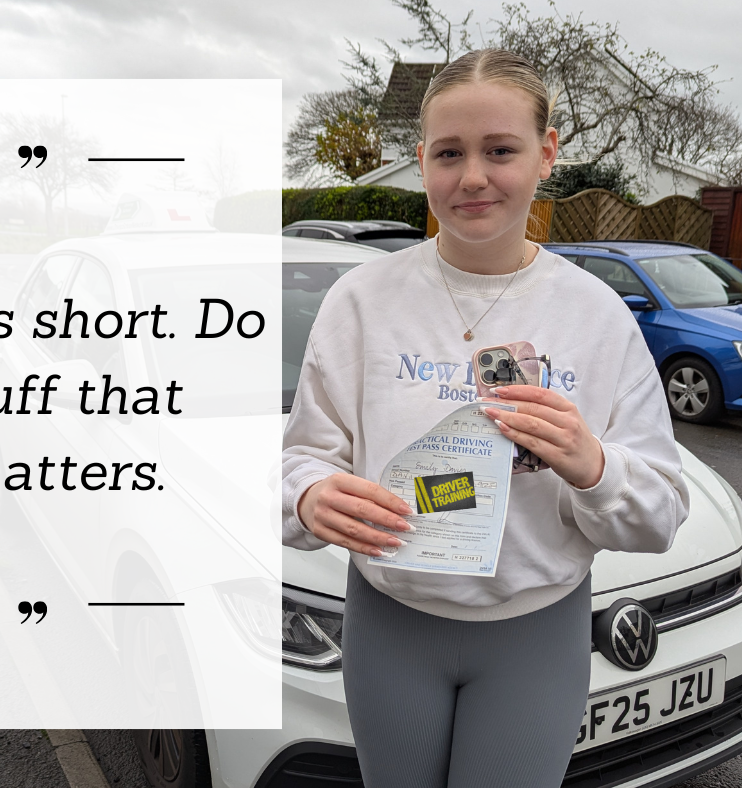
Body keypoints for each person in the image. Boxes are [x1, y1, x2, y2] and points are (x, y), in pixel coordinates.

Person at [281, 48, 690, 788]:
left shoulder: (596, 316)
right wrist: (310, 496)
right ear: (421, 162)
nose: (472, 177)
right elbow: (303, 459)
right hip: (390, 621)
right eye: (449, 153)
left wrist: (592, 465)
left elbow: (660, 514)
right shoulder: (363, 301)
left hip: (535, 631)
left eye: (500, 150)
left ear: (547, 153)